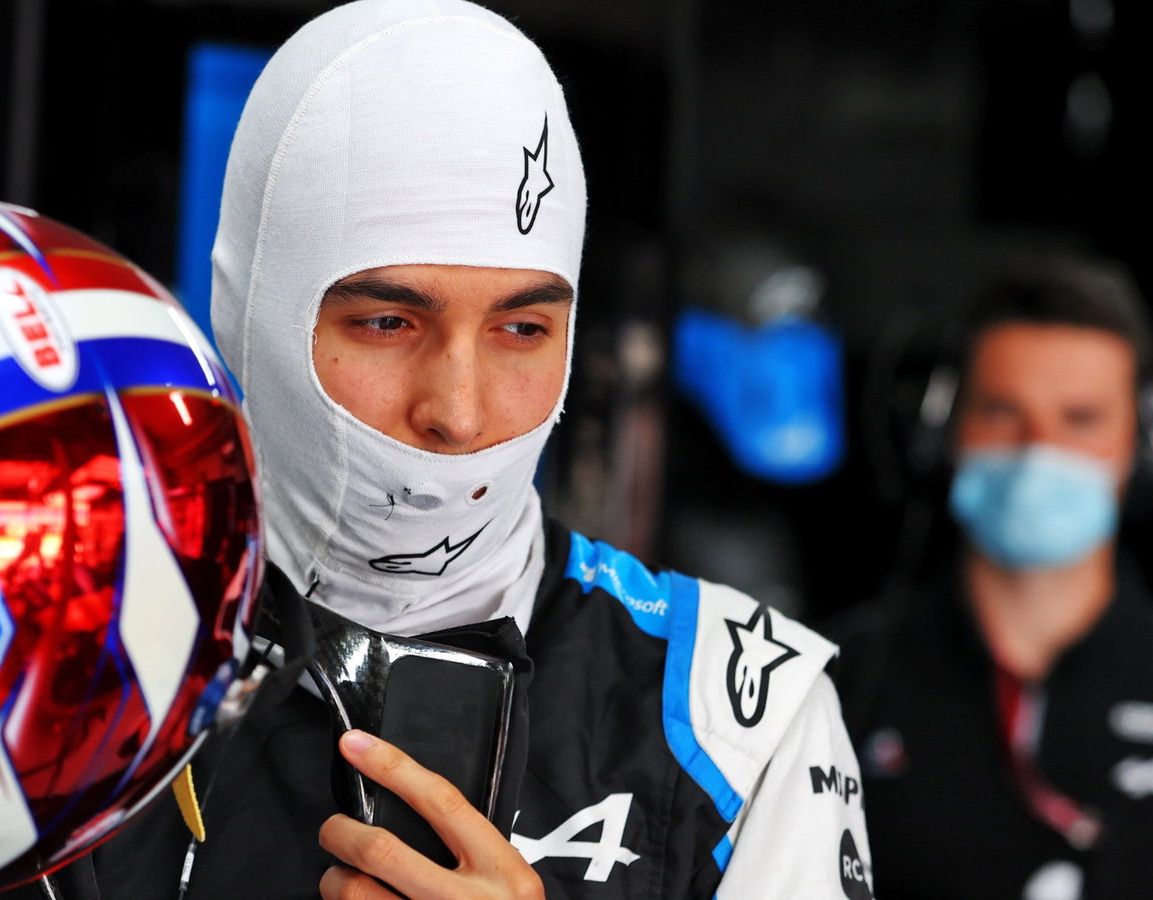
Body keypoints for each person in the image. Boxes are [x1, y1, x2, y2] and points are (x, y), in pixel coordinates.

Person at [85, 1, 872, 897]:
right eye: (388, 322)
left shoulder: (739, 716)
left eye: (523, 328)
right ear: (253, 318)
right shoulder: (48, 651)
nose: (458, 413)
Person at [830, 257, 1153, 899]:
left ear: (1140, 442)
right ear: (941, 431)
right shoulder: (836, 682)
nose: (1040, 448)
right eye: (1004, 411)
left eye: (1080, 419)